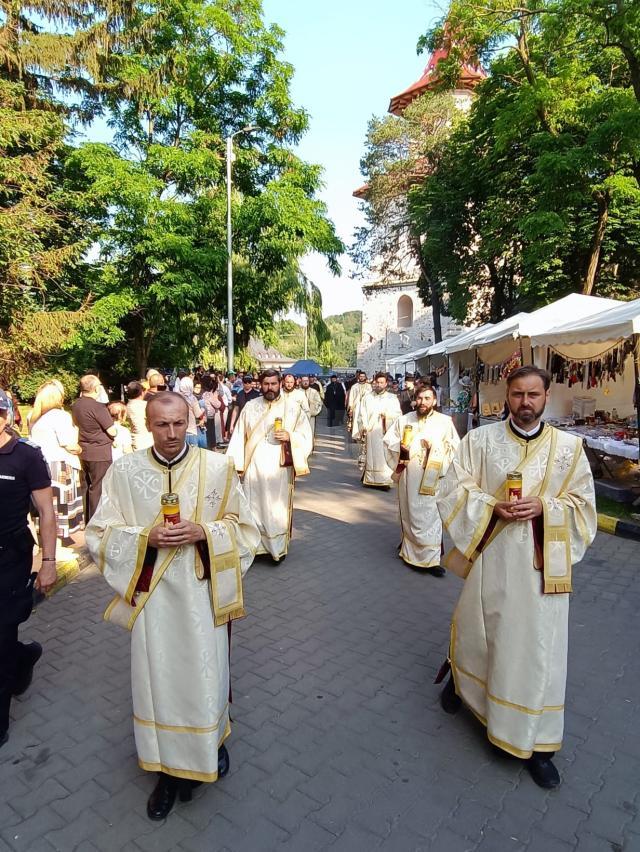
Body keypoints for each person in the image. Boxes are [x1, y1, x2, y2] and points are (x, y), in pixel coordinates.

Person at [86, 393, 259, 819]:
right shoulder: (124, 472)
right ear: (147, 423)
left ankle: (208, 747)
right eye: (162, 425)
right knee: (158, 683)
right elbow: (99, 534)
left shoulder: (216, 468)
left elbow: (246, 529)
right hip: (154, 602)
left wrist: (203, 531)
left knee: (205, 677)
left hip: (202, 598)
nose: (172, 433)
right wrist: (146, 538)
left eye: (180, 423)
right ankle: (166, 771)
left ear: (190, 420)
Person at [436, 366, 597, 789]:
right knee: (480, 633)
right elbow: (453, 488)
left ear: (547, 396)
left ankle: (538, 742)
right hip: (492, 558)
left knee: (537, 652)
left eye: (533, 395)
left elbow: (583, 505)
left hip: (542, 571)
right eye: (517, 394)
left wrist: (546, 507)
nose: (525, 403)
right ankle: (465, 687)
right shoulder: (481, 441)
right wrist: (491, 506)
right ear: (506, 396)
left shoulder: (569, 448)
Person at [0, 389, 58, 749]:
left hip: (10, 557)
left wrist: (48, 563)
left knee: (1, 638)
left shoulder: (25, 456)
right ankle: (26, 656)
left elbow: (46, 512)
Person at [227, 370, 312, 563]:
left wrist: (290, 436)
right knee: (253, 505)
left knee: (276, 508)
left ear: (280, 383)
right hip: (254, 467)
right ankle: (255, 546)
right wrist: (235, 465)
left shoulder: (293, 408)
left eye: (274, 384)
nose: (270, 388)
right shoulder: (250, 406)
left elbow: (306, 436)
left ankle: (276, 549)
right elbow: (239, 435)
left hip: (280, 467)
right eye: (266, 384)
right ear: (260, 384)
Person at [383, 387, 459, 574]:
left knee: (431, 515)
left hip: (432, 477)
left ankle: (431, 560)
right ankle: (408, 549)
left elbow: (455, 448)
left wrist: (435, 448)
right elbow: (388, 441)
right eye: (420, 398)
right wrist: (401, 447)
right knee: (409, 512)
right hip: (410, 476)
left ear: (434, 401)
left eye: (427, 398)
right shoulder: (404, 420)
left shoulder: (445, 422)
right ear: (415, 400)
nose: (423, 402)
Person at [29, 381, 84, 545]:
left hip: (42, 463)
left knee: (47, 505)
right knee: (61, 505)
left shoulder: (34, 417)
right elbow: (69, 444)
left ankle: (49, 537)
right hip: (60, 464)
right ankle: (61, 539)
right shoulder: (60, 416)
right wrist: (80, 449)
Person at [72, 374, 116, 521]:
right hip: (100, 451)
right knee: (98, 487)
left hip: (84, 449)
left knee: (86, 486)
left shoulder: (76, 405)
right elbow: (112, 430)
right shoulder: (97, 407)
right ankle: (96, 520)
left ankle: (85, 519)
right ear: (96, 388)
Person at [355, 372, 401, 488]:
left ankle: (384, 480)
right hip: (371, 432)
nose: (379, 385)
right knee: (371, 456)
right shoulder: (367, 397)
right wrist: (364, 426)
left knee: (384, 456)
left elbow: (398, 415)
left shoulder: (392, 398)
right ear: (374, 382)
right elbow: (362, 414)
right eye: (377, 382)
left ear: (386, 384)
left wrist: (387, 415)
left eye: (382, 383)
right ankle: (370, 478)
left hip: (385, 431)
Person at [126, 382, 153, 451]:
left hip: (135, 437)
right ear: (142, 392)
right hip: (147, 437)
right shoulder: (145, 405)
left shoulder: (128, 405)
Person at [299, 375, 323, 445]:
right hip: (300, 417)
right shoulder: (297, 392)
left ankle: (310, 448)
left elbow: (319, 403)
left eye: (307, 381)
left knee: (310, 432)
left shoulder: (314, 391)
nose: (305, 383)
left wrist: (313, 411)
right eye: (304, 381)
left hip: (311, 416)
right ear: (301, 382)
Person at [347, 372, 371, 438]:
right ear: (358, 377)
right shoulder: (354, 386)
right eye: (361, 376)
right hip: (356, 406)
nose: (362, 377)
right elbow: (351, 397)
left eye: (363, 376)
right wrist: (350, 408)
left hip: (366, 406)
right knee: (356, 421)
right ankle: (356, 435)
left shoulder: (369, 386)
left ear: (365, 377)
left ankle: (364, 434)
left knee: (365, 420)